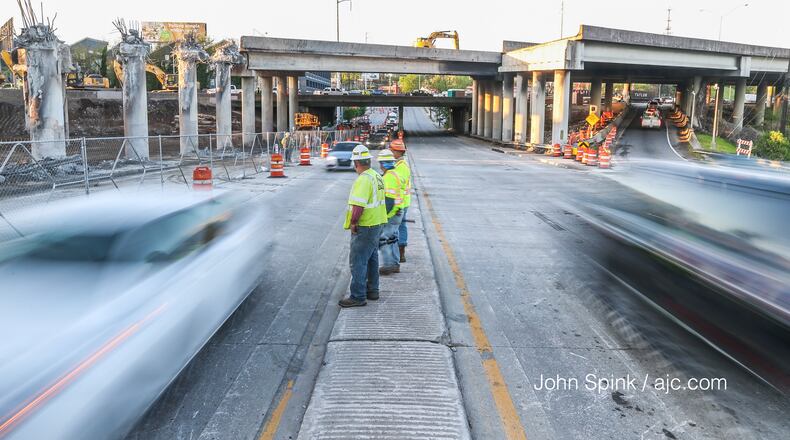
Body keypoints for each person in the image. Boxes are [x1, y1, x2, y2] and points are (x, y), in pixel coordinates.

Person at [339, 145, 387, 308]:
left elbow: (358, 206)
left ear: (357, 163)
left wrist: (353, 223)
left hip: (366, 225)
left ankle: (358, 296)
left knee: (358, 260)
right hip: (378, 223)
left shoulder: (363, 179)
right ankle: (373, 290)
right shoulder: (376, 176)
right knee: (372, 257)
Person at [377, 149, 403, 275]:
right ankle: (395, 264)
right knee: (392, 239)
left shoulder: (388, 177)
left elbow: (389, 200)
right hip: (397, 212)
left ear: (384, 163)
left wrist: (383, 216)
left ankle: (388, 265)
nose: (380, 166)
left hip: (392, 214)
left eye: (381, 163)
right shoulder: (393, 174)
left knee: (383, 239)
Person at [389, 139, 411, 263]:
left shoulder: (401, 166)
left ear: (398, 152)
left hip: (400, 202)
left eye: (392, 150)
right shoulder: (398, 164)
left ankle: (399, 253)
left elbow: (398, 183)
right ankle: (399, 252)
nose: (391, 152)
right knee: (401, 226)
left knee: (398, 227)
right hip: (402, 201)